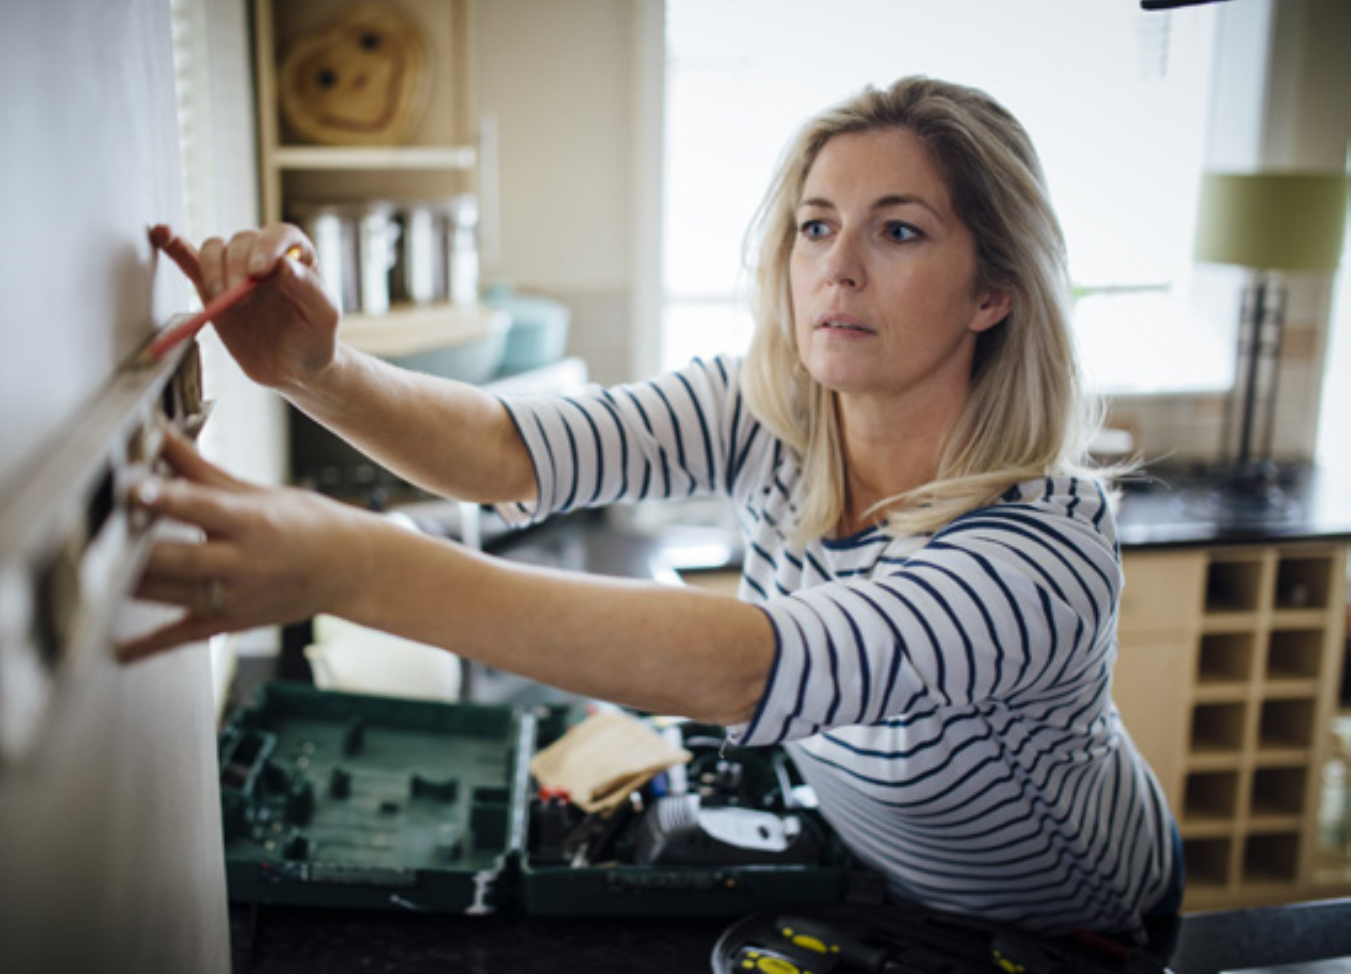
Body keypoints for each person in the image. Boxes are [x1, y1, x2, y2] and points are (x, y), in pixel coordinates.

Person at [125, 76, 1181, 939]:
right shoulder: (771, 406)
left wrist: (358, 566)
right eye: (815, 227)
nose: (837, 269)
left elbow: (748, 664)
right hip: (873, 877)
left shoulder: (1039, 548)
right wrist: (317, 372)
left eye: (897, 231)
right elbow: (508, 448)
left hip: (1068, 929)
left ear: (990, 292)